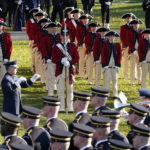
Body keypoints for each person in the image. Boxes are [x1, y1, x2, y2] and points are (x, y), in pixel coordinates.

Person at [52, 27, 79, 112]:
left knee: (70, 90)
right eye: (63, 35)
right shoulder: (57, 47)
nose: (64, 37)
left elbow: (76, 58)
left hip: (70, 70)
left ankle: (70, 107)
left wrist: (70, 63)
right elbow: (53, 59)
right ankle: (61, 107)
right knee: (60, 90)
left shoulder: (72, 46)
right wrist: (61, 60)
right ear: (60, 36)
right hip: (60, 70)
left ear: (68, 36)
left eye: (66, 35)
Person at [41, 22, 61, 96]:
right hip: (50, 59)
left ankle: (58, 88)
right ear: (48, 29)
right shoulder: (45, 37)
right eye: (51, 28)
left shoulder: (60, 37)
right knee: (50, 75)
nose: (53, 29)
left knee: (59, 75)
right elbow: (43, 49)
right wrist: (47, 58)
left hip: (59, 59)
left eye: (54, 28)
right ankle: (51, 92)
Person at [101, 31, 122, 97]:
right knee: (107, 81)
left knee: (115, 80)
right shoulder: (105, 45)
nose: (112, 38)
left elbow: (120, 55)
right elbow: (103, 55)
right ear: (108, 37)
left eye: (113, 37)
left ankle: (115, 94)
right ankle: (106, 94)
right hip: (107, 66)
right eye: (110, 37)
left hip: (114, 66)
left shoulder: (118, 45)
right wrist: (104, 65)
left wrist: (118, 65)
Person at [126, 19, 143, 85]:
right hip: (132, 52)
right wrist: (133, 50)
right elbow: (128, 41)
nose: (136, 25)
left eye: (137, 24)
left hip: (139, 52)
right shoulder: (129, 31)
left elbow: (143, 42)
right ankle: (132, 82)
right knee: (133, 67)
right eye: (135, 24)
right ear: (132, 25)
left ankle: (140, 81)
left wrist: (140, 51)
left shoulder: (141, 31)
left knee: (139, 67)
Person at [120, 13, 136, 80]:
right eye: (127, 18)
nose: (128, 20)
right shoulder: (123, 27)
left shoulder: (134, 26)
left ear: (132, 19)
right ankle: (125, 75)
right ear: (125, 20)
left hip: (133, 47)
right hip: (126, 46)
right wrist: (126, 45)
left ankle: (134, 75)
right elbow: (122, 37)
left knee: (134, 61)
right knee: (125, 61)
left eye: (130, 18)